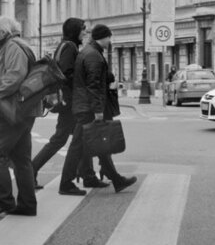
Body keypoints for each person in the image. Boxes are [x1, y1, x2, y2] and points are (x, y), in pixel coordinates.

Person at [59, 24, 137, 196]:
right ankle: (66, 183)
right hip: (88, 107)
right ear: (103, 37)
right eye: (109, 37)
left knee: (98, 143)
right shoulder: (93, 55)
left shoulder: (88, 51)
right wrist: (98, 110)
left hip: (83, 105)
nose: (110, 41)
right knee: (78, 146)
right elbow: (93, 85)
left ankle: (115, 179)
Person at [0, 15, 39, 218]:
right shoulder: (19, 44)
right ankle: (27, 204)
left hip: (10, 110)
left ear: (3, 33)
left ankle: (3, 201)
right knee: (21, 158)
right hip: (22, 110)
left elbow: (15, 74)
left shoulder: (12, 46)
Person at [32, 18, 87, 189]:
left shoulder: (65, 45)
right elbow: (66, 73)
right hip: (69, 102)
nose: (84, 32)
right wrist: (82, 79)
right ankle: (32, 170)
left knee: (77, 137)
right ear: (75, 31)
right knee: (66, 139)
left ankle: (85, 172)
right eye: (82, 29)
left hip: (67, 100)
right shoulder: (69, 47)